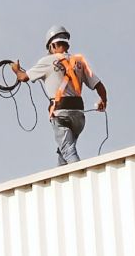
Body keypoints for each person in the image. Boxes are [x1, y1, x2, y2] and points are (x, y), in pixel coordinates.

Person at [10, 25, 107, 166]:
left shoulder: (47, 61)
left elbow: (23, 77)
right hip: (79, 114)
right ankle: (61, 183)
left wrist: (16, 70)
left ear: (53, 45)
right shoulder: (79, 62)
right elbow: (99, 85)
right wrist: (103, 100)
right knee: (64, 152)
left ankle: (81, 179)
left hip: (61, 112)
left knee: (68, 150)